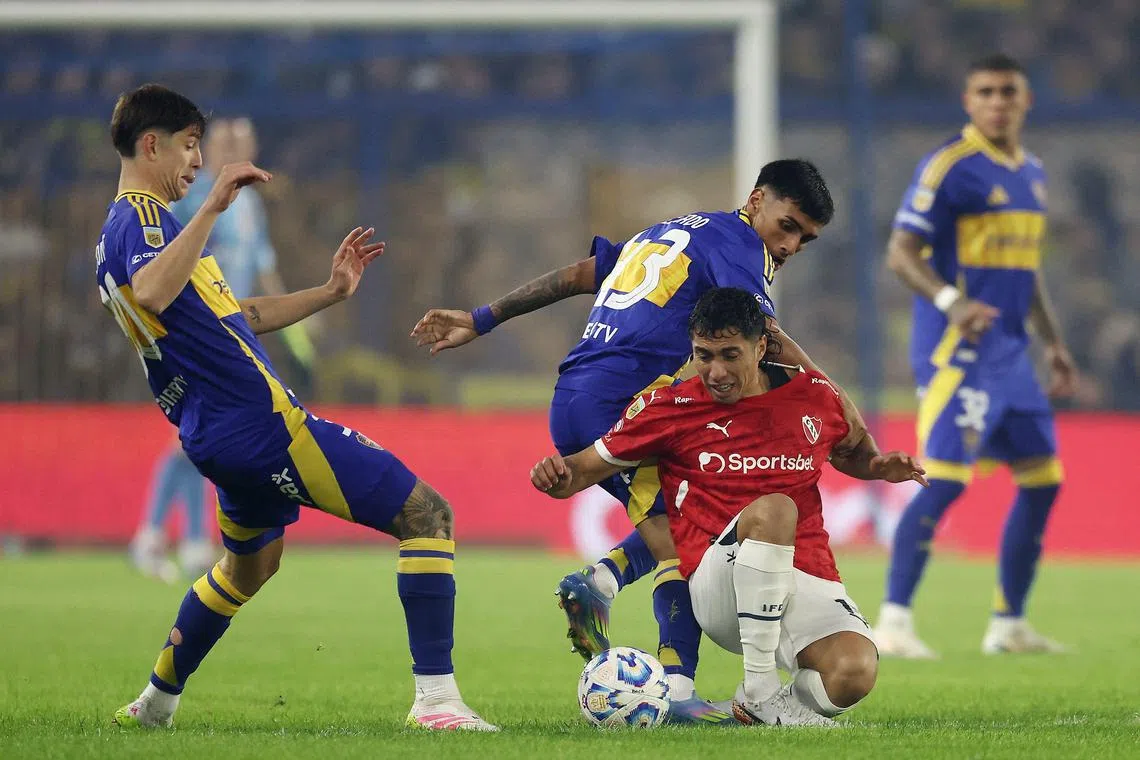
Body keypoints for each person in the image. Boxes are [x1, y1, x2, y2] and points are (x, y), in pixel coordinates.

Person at [411, 159, 879, 723]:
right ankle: (677, 688)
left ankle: (602, 581)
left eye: (807, 237)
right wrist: (832, 396)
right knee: (686, 539)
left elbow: (582, 275)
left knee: (686, 526)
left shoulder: (675, 231)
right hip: (629, 401)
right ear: (757, 201)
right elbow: (767, 343)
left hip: (577, 392)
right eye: (789, 225)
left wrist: (484, 317)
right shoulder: (739, 250)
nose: (793, 244)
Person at [98, 84, 494, 731]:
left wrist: (331, 292)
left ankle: (156, 702)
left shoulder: (127, 235)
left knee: (249, 566)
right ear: (151, 144)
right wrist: (214, 208)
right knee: (428, 514)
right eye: (190, 145)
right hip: (259, 424)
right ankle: (438, 704)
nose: (198, 162)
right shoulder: (146, 221)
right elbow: (151, 292)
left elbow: (241, 316)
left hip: (211, 431)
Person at [529, 288, 927, 726]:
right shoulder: (671, 406)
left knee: (853, 673)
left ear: (760, 347)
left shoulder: (813, 395)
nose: (716, 371)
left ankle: (748, 713)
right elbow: (583, 469)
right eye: (704, 355)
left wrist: (879, 466)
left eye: (730, 355)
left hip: (806, 573)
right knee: (775, 509)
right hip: (719, 583)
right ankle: (760, 690)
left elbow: (852, 453)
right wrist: (556, 476)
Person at [875, 54, 1078, 658]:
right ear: (969, 101)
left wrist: (1054, 342)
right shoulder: (951, 167)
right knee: (942, 481)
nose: (997, 101)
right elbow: (900, 251)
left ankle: (1008, 624)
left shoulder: (1031, 172)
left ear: (1026, 99)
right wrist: (950, 299)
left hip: (1013, 356)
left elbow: (1027, 269)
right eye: (985, 91)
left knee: (1043, 481)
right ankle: (893, 622)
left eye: (1007, 91)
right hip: (956, 350)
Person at [129, 117, 316, 581]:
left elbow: (263, 265)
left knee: (201, 437)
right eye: (227, 140)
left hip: (234, 329)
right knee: (191, 436)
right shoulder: (195, 198)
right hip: (195, 331)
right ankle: (155, 534)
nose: (238, 146)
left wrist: (298, 330)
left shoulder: (249, 203)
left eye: (244, 138)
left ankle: (188, 538)